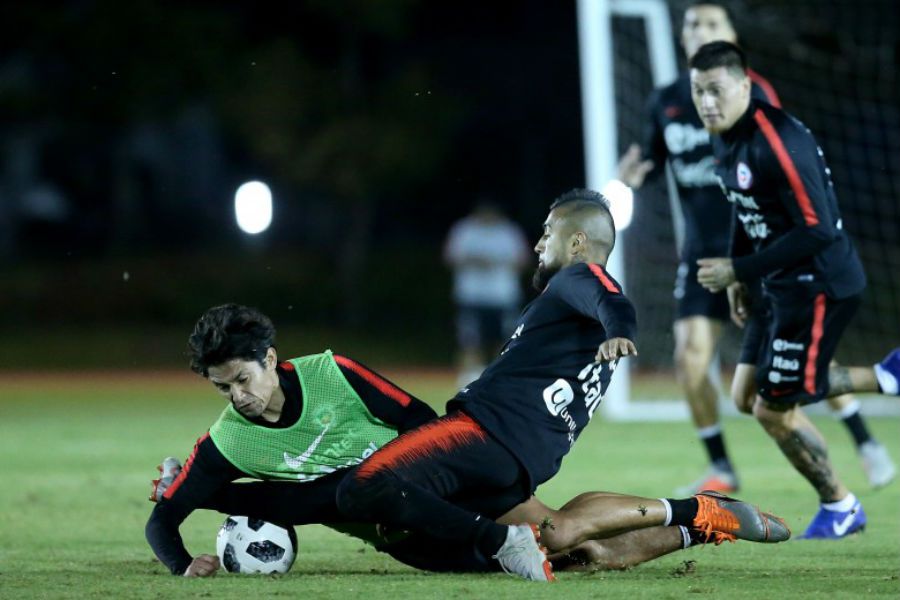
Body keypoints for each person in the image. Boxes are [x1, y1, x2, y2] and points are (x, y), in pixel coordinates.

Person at [335, 189, 789, 583]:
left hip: (484, 433)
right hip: (523, 457)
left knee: (363, 485)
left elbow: (609, 297)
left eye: (547, 232)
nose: (537, 244)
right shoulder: (572, 310)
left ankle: (691, 511)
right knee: (564, 541)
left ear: (576, 242)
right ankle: (699, 520)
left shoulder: (577, 277)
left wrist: (618, 329)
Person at [146, 303, 787, 578]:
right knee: (575, 558)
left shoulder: (331, 374)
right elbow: (164, 521)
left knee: (558, 532)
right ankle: (699, 524)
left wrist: (440, 480)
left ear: (270, 358)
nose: (238, 397)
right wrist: (182, 559)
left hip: (446, 482)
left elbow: (421, 417)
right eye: (223, 388)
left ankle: (694, 510)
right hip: (408, 540)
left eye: (242, 379)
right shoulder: (230, 441)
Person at [617, 1, 894, 494]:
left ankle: (857, 455)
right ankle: (726, 466)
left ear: (733, 42)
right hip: (714, 250)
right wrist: (635, 175)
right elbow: (654, 159)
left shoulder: (754, 103)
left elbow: (786, 186)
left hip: (773, 253)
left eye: (711, 23)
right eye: (692, 24)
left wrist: (743, 268)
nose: (700, 31)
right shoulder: (669, 103)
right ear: (682, 40)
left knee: (787, 379)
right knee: (706, 364)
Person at [688, 40, 900, 539]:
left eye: (716, 90)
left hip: (818, 283)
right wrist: (743, 276)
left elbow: (819, 229)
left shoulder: (776, 140)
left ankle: (842, 506)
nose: (706, 102)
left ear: (744, 85)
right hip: (774, 281)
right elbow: (746, 207)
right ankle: (888, 377)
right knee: (745, 395)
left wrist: (739, 266)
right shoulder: (724, 135)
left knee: (773, 406)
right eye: (698, 92)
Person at [444, 200, 531, 387]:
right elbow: (450, 257)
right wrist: (474, 260)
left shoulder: (508, 231)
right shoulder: (465, 229)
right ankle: (469, 379)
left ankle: (501, 377)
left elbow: (524, 260)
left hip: (503, 296)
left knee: (506, 339)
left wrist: (498, 262)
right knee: (470, 340)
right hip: (471, 296)